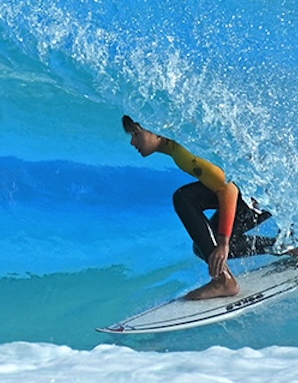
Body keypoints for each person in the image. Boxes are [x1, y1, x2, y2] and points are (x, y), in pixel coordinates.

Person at [121, 115, 286, 301]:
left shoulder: (184, 153)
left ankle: (224, 280)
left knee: (184, 199)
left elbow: (228, 189)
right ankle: (286, 246)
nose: (133, 142)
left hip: (261, 197)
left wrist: (223, 243)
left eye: (136, 133)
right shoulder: (178, 145)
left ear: (154, 130)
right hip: (263, 194)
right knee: (205, 248)